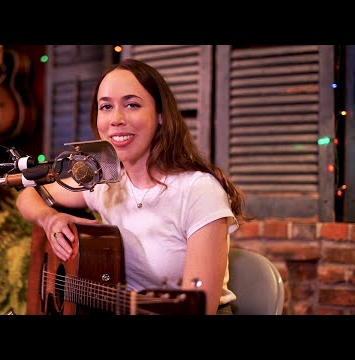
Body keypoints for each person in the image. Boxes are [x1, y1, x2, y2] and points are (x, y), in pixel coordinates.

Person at [16, 58, 250, 315]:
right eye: (106, 106)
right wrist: (49, 219)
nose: (116, 119)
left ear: (160, 116)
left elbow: (198, 309)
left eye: (132, 105)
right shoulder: (104, 182)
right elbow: (28, 194)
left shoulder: (198, 191)